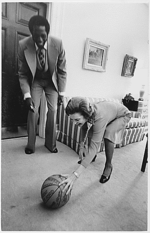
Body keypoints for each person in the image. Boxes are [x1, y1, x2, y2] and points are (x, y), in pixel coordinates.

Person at [59, 97, 131, 194]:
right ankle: (92, 157)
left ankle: (109, 165)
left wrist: (75, 175)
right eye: (72, 120)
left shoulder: (99, 117)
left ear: (86, 115)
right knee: (91, 132)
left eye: (76, 119)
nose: (74, 123)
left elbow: (94, 146)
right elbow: (84, 127)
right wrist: (81, 147)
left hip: (123, 115)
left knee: (108, 133)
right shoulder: (88, 113)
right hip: (109, 113)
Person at [18, 15, 67, 154]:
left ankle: (50, 144)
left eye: (43, 36)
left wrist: (62, 93)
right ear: (31, 33)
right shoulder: (23, 44)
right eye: (36, 36)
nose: (39, 40)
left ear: (48, 33)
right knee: (32, 110)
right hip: (36, 81)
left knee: (53, 111)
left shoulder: (58, 44)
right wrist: (26, 95)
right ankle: (30, 144)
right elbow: (22, 73)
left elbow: (62, 71)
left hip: (52, 82)